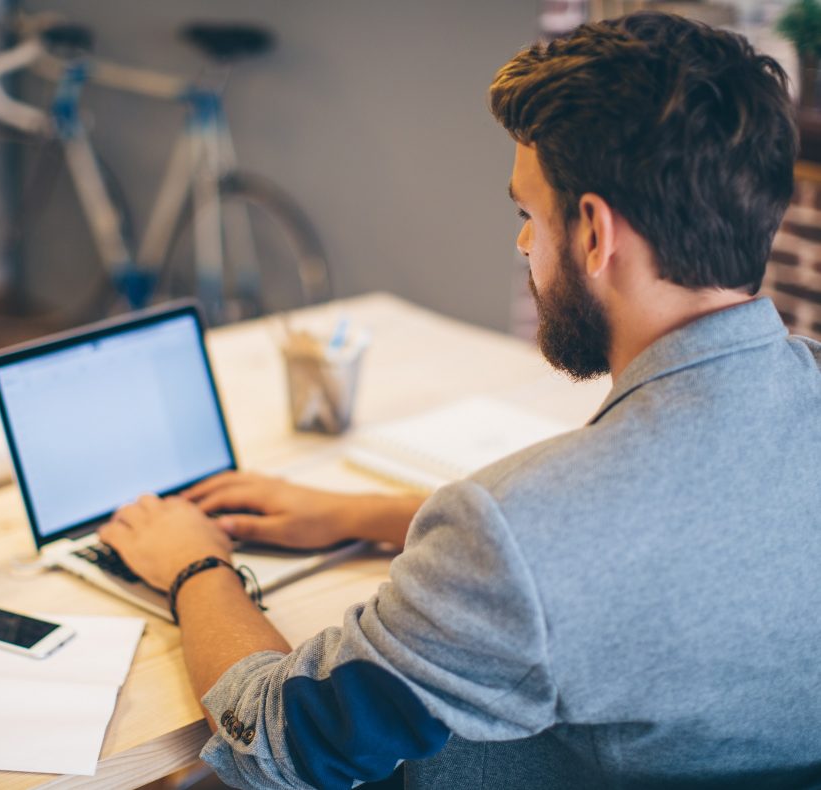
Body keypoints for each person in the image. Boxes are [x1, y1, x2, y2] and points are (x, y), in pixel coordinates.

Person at [98, 12, 821, 789]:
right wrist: (359, 515)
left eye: (526, 215)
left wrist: (196, 564)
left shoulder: (525, 530)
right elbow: (646, 544)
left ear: (593, 235)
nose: (521, 246)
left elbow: (281, 742)